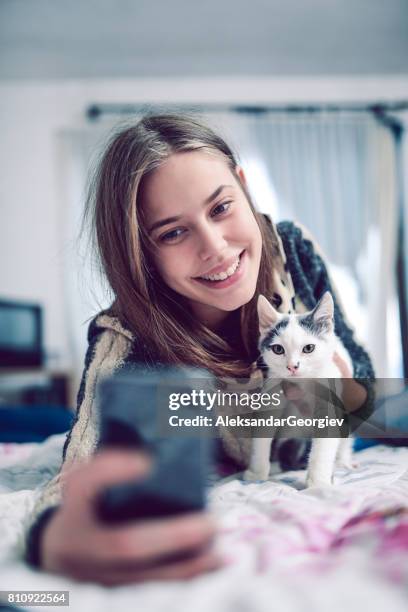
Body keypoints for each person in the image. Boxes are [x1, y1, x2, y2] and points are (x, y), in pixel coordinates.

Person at [24, 114, 375, 585]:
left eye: (221, 208)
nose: (215, 248)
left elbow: (363, 379)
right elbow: (79, 470)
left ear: (244, 188)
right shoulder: (127, 335)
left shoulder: (293, 248)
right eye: (172, 233)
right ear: (140, 252)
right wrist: (54, 534)